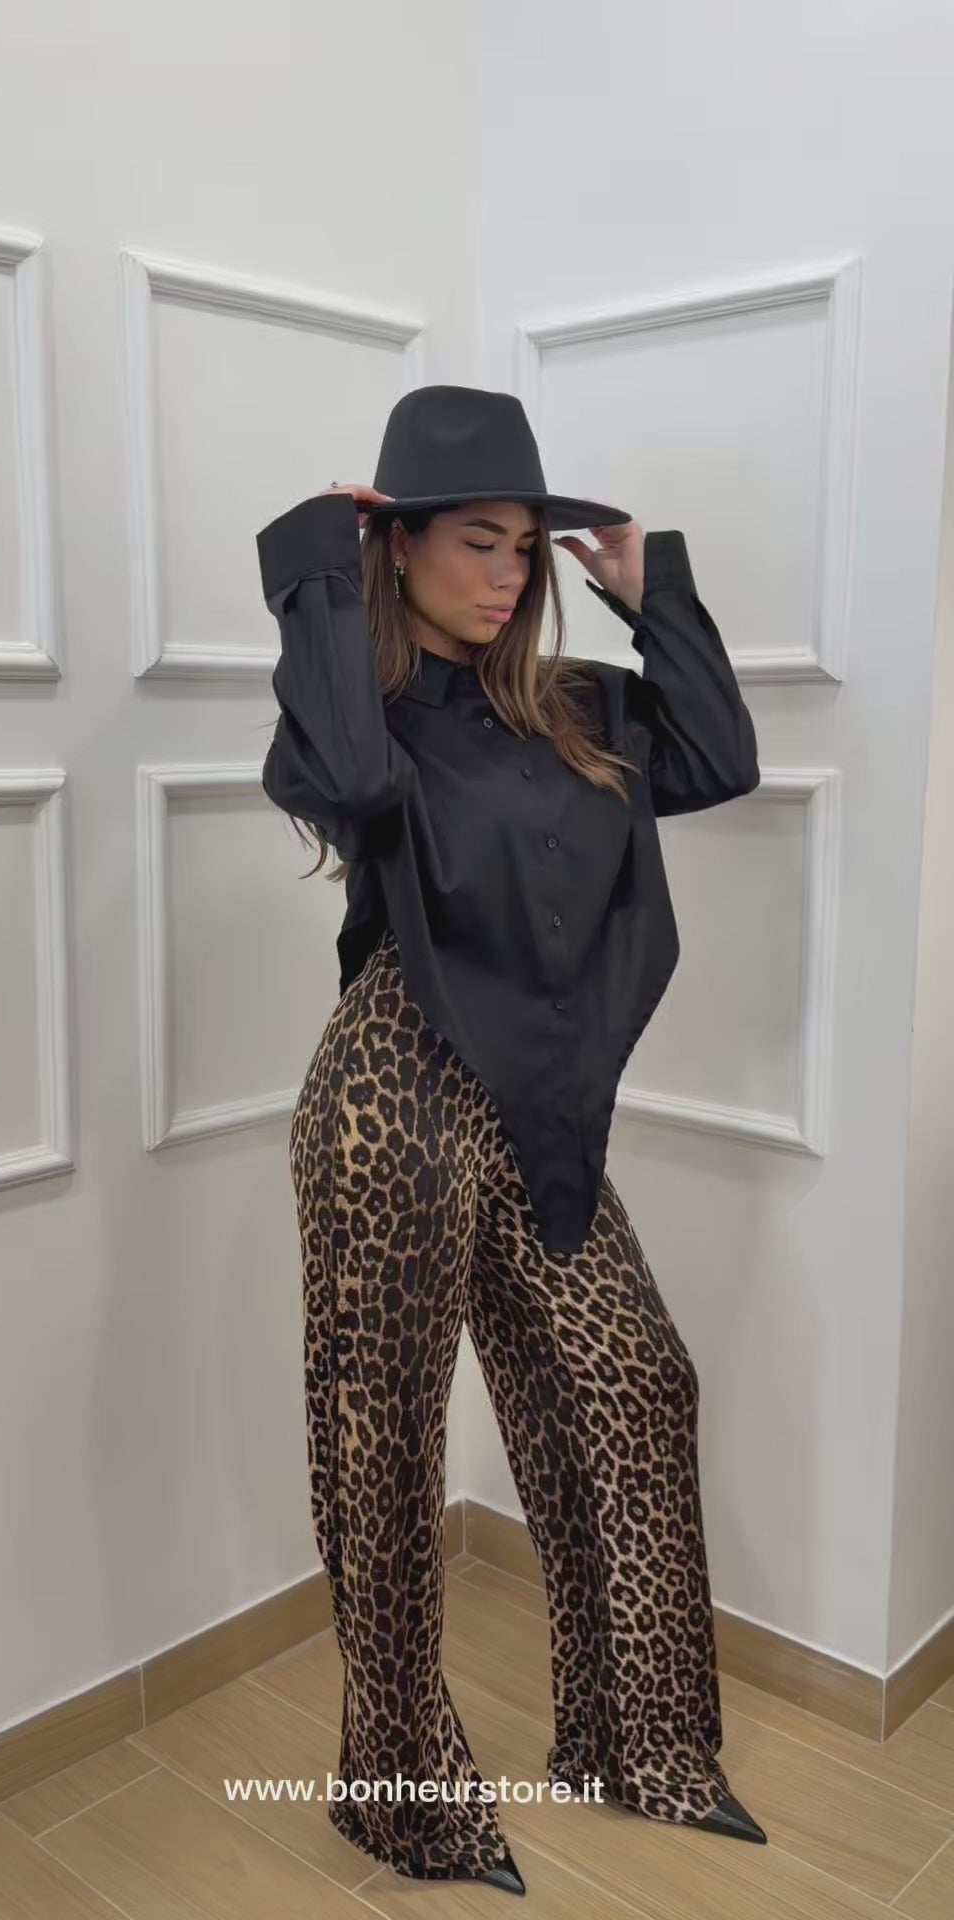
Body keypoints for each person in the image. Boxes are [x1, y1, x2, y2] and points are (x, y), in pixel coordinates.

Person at [255, 385, 765, 1895]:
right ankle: (401, 1794)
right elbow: (352, 788)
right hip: (392, 1107)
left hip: (539, 1106)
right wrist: (315, 557)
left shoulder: (581, 707)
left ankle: (639, 1745)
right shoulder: (355, 716)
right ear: (398, 545)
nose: (508, 573)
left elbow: (722, 758)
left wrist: (651, 590)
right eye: (476, 542)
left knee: (637, 1386)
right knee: (386, 1449)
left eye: (527, 548)